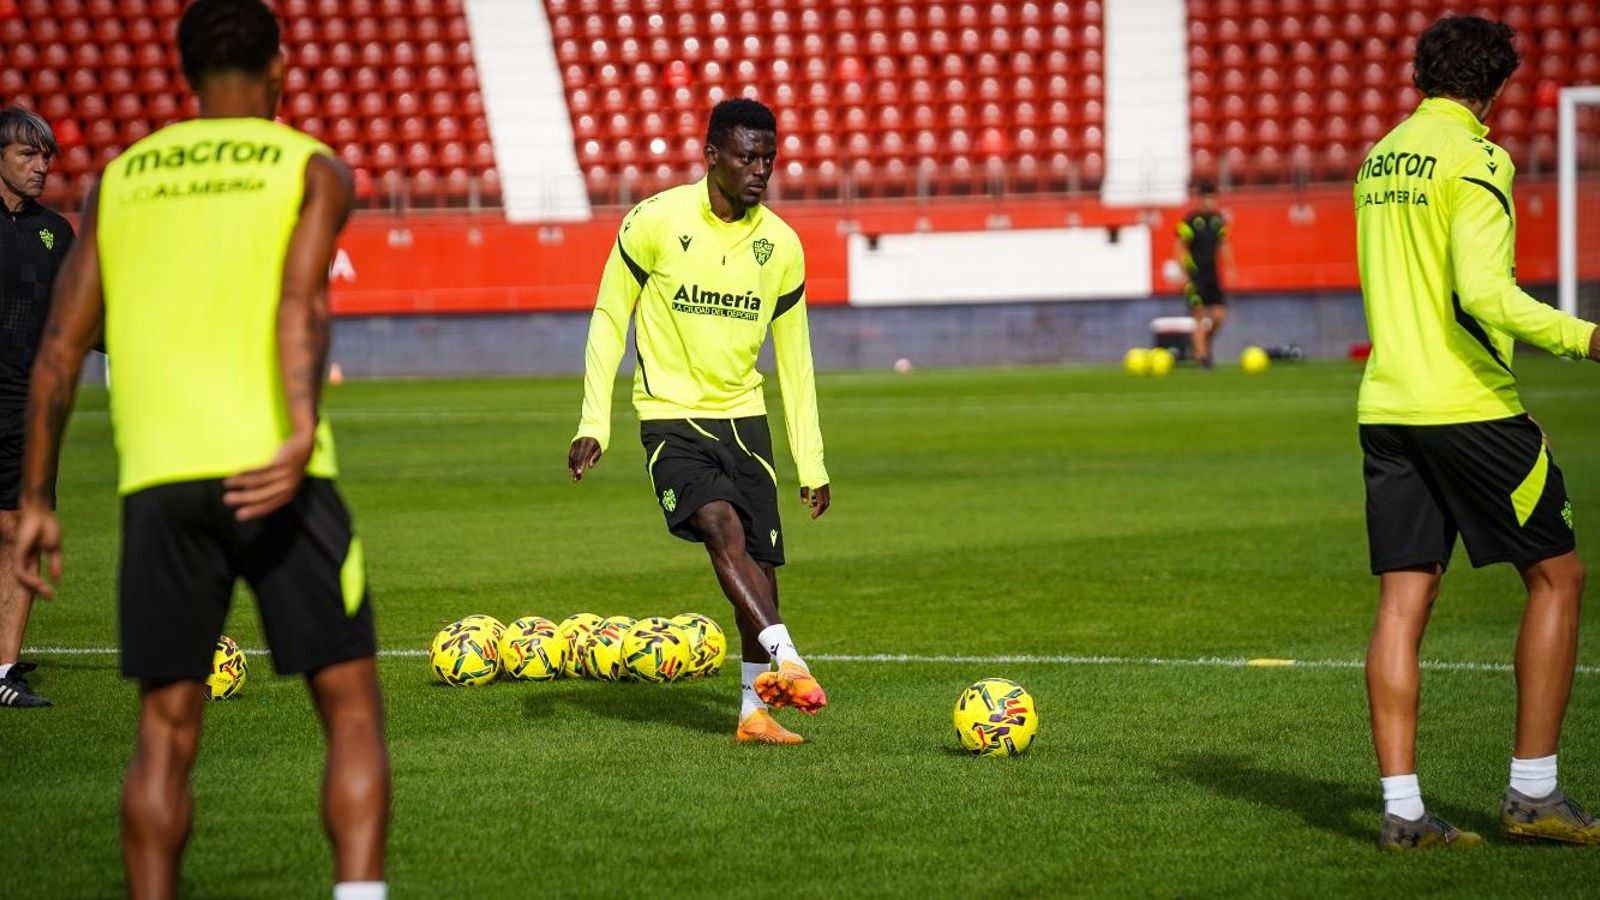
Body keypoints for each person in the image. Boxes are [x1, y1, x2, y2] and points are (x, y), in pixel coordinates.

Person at [14, 1, 391, 896]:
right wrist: (297, 428)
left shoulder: (120, 181)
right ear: (280, 68)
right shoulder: (311, 167)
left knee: (165, 730)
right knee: (349, 712)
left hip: (162, 481)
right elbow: (301, 304)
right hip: (281, 473)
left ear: (184, 73)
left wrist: (34, 499)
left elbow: (60, 349)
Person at [1355, 14, 1600, 850]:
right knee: (1559, 578)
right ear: (1496, 88)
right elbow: (1485, 293)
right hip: (1466, 403)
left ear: (1420, 78)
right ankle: (1534, 794)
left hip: (1388, 405)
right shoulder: (1478, 158)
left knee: (1402, 603)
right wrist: (1587, 337)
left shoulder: (1380, 157)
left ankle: (1402, 812)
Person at [568, 98, 831, 745]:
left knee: (761, 572)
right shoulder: (653, 222)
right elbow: (610, 317)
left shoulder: (782, 246)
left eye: (769, 158)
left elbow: (796, 361)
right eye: (747, 157)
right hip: (671, 417)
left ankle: (753, 714)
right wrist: (593, 420)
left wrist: (812, 461)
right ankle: (791, 660)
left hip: (745, 421)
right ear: (711, 155)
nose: (760, 170)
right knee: (718, 523)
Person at [0, 107, 73, 708]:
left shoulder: (56, 232)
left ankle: (3, 670)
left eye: (46, 155)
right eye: (27, 154)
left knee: (19, 528)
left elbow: (80, 318)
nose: (41, 165)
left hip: (29, 406)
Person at [1174, 181, 1234, 367]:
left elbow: (1224, 244)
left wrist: (1231, 267)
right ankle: (1202, 358)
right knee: (1199, 315)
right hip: (1195, 274)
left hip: (1212, 274)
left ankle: (1204, 345)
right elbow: (1179, 246)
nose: (1210, 202)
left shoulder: (1218, 221)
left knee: (1219, 315)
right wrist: (1183, 272)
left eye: (1213, 198)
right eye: (1207, 198)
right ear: (1200, 199)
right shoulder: (1190, 221)